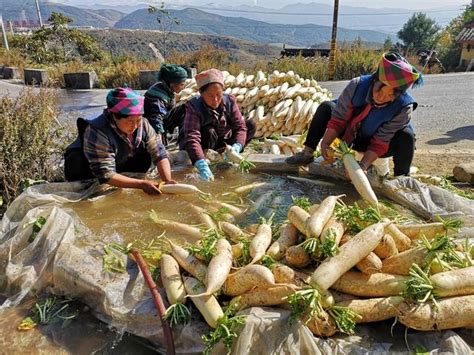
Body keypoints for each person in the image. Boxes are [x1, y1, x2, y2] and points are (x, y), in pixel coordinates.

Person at [286, 52, 423, 176]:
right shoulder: (357, 85)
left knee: (407, 136)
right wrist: (326, 144)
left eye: (389, 96)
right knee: (326, 107)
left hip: (378, 144)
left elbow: (382, 140)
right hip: (350, 136)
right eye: (379, 91)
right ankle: (307, 152)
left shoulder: (404, 107)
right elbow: (338, 119)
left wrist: (362, 166)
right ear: (374, 81)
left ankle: (402, 178)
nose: (381, 97)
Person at [64, 87, 176, 194]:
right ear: (114, 116)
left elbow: (159, 153)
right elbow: (105, 173)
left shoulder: (143, 124)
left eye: (138, 120)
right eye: (130, 121)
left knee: (144, 156)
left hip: (118, 160)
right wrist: (140, 184)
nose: (135, 126)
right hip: (85, 167)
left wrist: (167, 181)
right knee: (87, 180)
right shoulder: (97, 131)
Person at [181, 68, 256, 181]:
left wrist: (236, 147)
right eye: (210, 96)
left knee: (250, 125)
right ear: (201, 93)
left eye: (219, 94)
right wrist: (200, 163)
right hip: (204, 142)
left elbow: (240, 127)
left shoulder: (229, 101)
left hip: (223, 140)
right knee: (209, 130)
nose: (216, 100)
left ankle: (229, 154)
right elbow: (192, 137)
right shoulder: (193, 106)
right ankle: (206, 160)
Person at [143, 64, 188, 143]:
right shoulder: (158, 96)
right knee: (185, 108)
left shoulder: (166, 89)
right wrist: (159, 139)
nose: (183, 87)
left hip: (161, 120)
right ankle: (184, 141)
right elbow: (156, 118)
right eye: (182, 84)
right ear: (172, 84)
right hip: (150, 126)